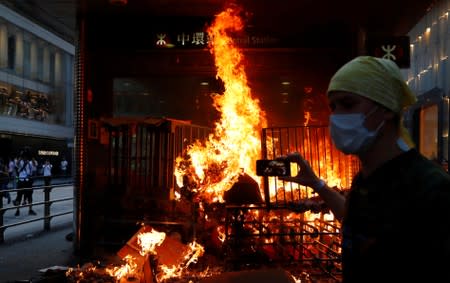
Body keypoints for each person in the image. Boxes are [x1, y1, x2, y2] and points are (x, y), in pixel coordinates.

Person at [278, 56, 450, 283]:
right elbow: (354, 221)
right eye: (333, 106)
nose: (336, 116)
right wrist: (316, 183)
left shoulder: (431, 187)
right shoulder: (365, 180)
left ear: (386, 108)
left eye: (348, 104)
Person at [13, 151, 36, 216]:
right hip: (21, 180)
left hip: (28, 180)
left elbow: (34, 165)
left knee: (30, 196)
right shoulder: (20, 162)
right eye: (24, 156)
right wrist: (20, 155)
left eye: (26, 156)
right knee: (19, 196)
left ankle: (30, 210)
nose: (25, 157)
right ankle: (17, 210)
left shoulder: (30, 162)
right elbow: (16, 164)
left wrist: (32, 157)